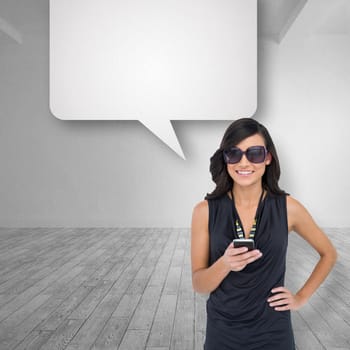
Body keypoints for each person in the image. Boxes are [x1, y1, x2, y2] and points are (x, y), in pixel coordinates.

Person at [191, 118, 337, 350]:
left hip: (273, 333)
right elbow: (199, 284)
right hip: (223, 332)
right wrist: (225, 264)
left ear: (268, 158)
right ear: (225, 158)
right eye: (234, 153)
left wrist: (301, 298)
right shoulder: (204, 211)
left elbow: (328, 253)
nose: (244, 162)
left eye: (255, 153)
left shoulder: (289, 208)